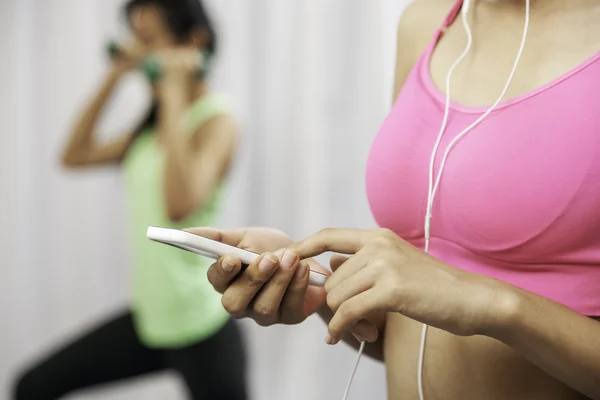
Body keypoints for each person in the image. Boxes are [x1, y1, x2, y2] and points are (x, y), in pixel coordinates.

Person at [189, 0, 600, 399]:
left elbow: (464, 305)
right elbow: (422, 327)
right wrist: (321, 289)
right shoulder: (427, 22)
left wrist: (494, 304)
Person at [13, 1, 247, 399]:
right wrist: (115, 74)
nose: (140, 53)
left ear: (194, 41)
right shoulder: (149, 132)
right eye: (136, 40)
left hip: (200, 325)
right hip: (152, 321)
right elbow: (74, 154)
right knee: (32, 385)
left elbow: (178, 206)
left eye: (149, 40)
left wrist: (173, 90)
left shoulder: (216, 121)